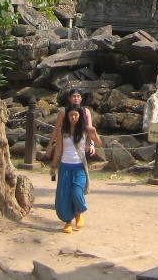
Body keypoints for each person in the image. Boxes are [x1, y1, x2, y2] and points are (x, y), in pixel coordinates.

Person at [50, 105, 90, 233]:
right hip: (65, 166)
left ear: (79, 116)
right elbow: (59, 148)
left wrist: (94, 135)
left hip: (79, 166)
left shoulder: (84, 129)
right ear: (67, 117)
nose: (73, 117)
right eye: (71, 115)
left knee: (77, 192)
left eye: (76, 115)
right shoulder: (63, 130)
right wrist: (53, 165)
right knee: (64, 195)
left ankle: (79, 212)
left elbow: (98, 142)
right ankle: (68, 222)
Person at [46, 88, 101, 160]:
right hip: (66, 141)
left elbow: (90, 129)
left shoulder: (86, 111)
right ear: (69, 98)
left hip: (80, 141)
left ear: (81, 98)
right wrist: (49, 145)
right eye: (74, 96)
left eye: (78, 96)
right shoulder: (63, 112)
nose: (76, 98)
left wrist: (92, 144)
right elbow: (56, 129)